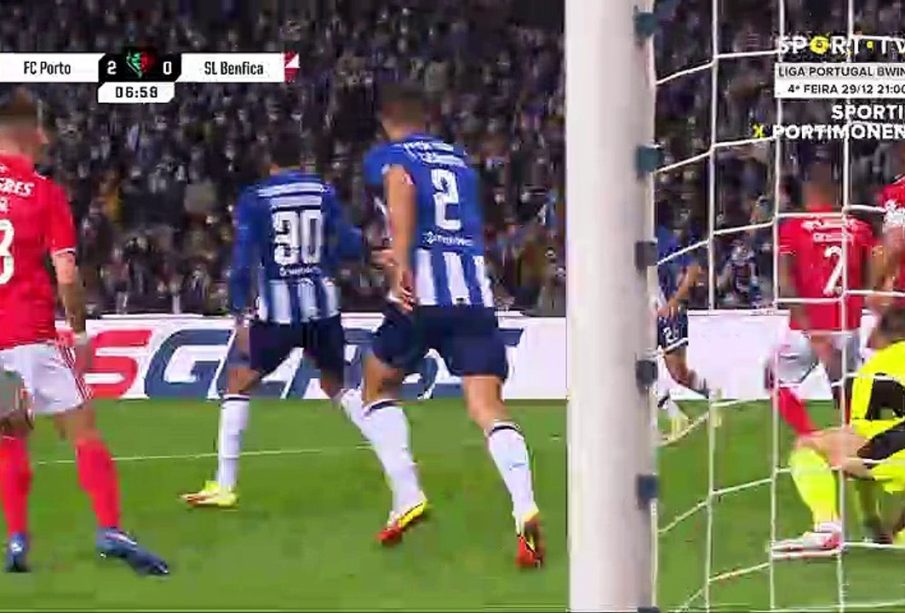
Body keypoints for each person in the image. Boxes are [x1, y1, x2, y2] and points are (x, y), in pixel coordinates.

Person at [345, 83, 544, 568]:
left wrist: (401, 259)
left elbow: (402, 188)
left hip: (421, 293)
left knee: (375, 385)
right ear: (426, 120)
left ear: (387, 122)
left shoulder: (389, 156)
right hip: (472, 293)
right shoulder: (460, 161)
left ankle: (407, 493)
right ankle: (524, 505)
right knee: (487, 405)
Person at [0, 88, 167, 574]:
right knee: (83, 431)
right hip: (33, 334)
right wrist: (79, 333)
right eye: (42, 128)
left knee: (11, 437)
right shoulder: (44, 193)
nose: (47, 138)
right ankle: (110, 527)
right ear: (27, 132)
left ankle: (17, 540)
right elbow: (67, 274)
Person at [181, 131, 384, 507]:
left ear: (269, 162)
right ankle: (394, 456)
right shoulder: (322, 191)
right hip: (323, 306)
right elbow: (346, 241)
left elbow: (243, 260)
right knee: (337, 386)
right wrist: (370, 254)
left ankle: (225, 485)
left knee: (238, 383)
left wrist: (240, 313)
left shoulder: (256, 198)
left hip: (279, 311)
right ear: (301, 159)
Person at [772, 305, 905, 558]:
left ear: (883, 334)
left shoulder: (874, 370)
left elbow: (861, 439)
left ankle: (827, 526)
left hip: (895, 450)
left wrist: (869, 519)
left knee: (812, 446)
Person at [767, 175, 875, 438]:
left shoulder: (794, 227)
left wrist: (809, 328)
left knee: (773, 380)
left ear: (811, 192)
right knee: (846, 390)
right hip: (847, 325)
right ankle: (853, 443)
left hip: (807, 327)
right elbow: (871, 277)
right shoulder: (859, 228)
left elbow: (784, 281)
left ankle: (812, 437)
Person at [655, 215, 716, 441]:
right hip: (640, 318)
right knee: (637, 369)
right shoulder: (618, 239)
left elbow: (693, 268)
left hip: (667, 314)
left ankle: (711, 394)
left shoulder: (660, 237)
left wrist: (674, 301)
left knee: (678, 373)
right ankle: (672, 415)